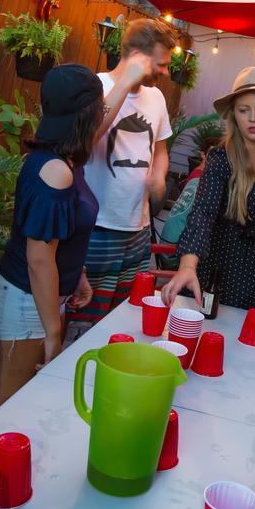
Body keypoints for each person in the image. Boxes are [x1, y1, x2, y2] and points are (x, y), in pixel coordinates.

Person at [0, 64, 101, 421]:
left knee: (4, 403)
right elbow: (39, 258)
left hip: (33, 296)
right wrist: (53, 333)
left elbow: (59, 235)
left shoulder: (62, 161)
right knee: (4, 408)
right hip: (24, 300)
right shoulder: (56, 170)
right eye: (101, 109)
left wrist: (77, 274)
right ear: (87, 115)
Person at [162, 66, 255, 312]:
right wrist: (186, 267)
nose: (253, 118)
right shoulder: (221, 158)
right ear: (234, 115)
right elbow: (202, 214)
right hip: (217, 273)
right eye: (244, 110)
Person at [69, 17, 174, 332]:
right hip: (97, 230)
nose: (166, 72)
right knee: (84, 323)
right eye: (161, 64)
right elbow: (83, 142)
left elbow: (162, 148)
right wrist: (126, 82)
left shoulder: (156, 98)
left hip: (137, 231)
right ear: (136, 56)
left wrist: (159, 173)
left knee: (123, 320)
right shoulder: (95, 87)